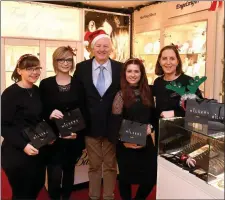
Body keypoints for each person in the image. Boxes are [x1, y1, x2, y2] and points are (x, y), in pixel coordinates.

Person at [73, 29, 122, 200]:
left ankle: (109, 196)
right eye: (98, 46)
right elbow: (77, 97)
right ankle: (93, 196)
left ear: (111, 49)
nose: (102, 49)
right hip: (90, 125)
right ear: (92, 48)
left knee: (110, 165)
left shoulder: (119, 68)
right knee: (94, 166)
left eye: (106, 46)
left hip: (112, 126)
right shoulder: (81, 68)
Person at [39, 46, 85, 200]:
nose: (65, 63)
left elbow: (84, 110)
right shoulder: (45, 84)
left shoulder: (79, 84)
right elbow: (39, 109)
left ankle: (66, 197)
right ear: (55, 61)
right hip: (53, 139)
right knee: (54, 175)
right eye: (61, 59)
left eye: (69, 59)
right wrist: (49, 113)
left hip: (73, 139)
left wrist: (77, 134)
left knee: (69, 172)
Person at [108, 58, 157, 200]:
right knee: (125, 179)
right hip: (125, 144)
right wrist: (123, 142)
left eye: (136, 71)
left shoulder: (149, 92)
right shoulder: (120, 95)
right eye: (129, 71)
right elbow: (114, 123)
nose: (133, 74)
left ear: (142, 74)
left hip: (146, 142)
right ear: (124, 74)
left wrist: (151, 128)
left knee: (150, 178)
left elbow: (153, 118)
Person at [1, 54, 46, 199]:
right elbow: (3, 126)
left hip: (36, 149)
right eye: (30, 69)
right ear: (19, 71)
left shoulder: (37, 91)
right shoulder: (10, 94)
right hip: (17, 153)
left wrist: (48, 136)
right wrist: (23, 145)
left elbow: (38, 120)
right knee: (22, 193)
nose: (35, 72)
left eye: (37, 68)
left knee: (36, 185)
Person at [153, 45, 202, 119]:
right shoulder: (157, 82)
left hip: (181, 129)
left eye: (172, 59)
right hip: (160, 129)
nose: (168, 62)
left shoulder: (188, 82)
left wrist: (175, 113)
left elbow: (200, 109)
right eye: (164, 59)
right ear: (160, 61)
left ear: (177, 62)